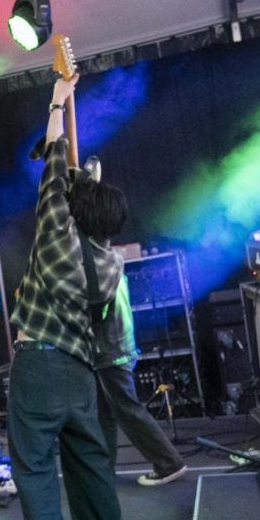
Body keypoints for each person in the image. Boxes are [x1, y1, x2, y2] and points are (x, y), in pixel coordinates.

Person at [7, 74, 134, 520]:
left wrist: (57, 101)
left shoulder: (56, 235)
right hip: (81, 373)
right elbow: (75, 192)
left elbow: (54, 168)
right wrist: (86, 185)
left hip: (37, 366)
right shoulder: (111, 263)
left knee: (36, 473)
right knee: (91, 466)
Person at [76, 159, 189, 489]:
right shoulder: (107, 253)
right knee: (105, 413)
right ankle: (102, 470)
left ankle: (169, 463)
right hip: (115, 346)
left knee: (126, 410)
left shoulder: (96, 259)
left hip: (110, 349)